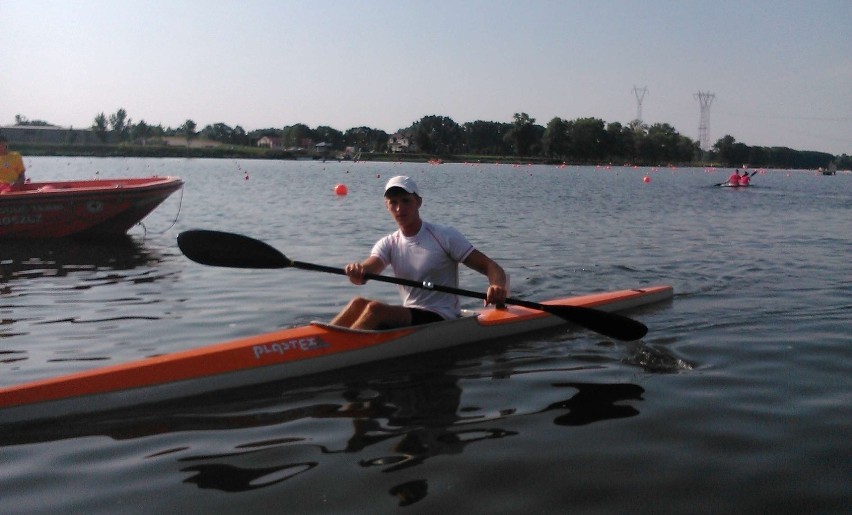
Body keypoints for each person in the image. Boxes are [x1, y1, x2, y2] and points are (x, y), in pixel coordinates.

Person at [330, 175, 508, 330]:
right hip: (411, 315)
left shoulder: (444, 236)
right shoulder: (388, 243)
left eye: (406, 200)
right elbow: (368, 271)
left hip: (443, 316)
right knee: (357, 303)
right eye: (393, 202)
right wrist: (358, 271)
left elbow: (491, 266)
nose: (399, 208)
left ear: (418, 202)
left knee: (374, 310)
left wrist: (497, 286)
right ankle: (322, 342)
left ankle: (333, 355)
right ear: (387, 206)